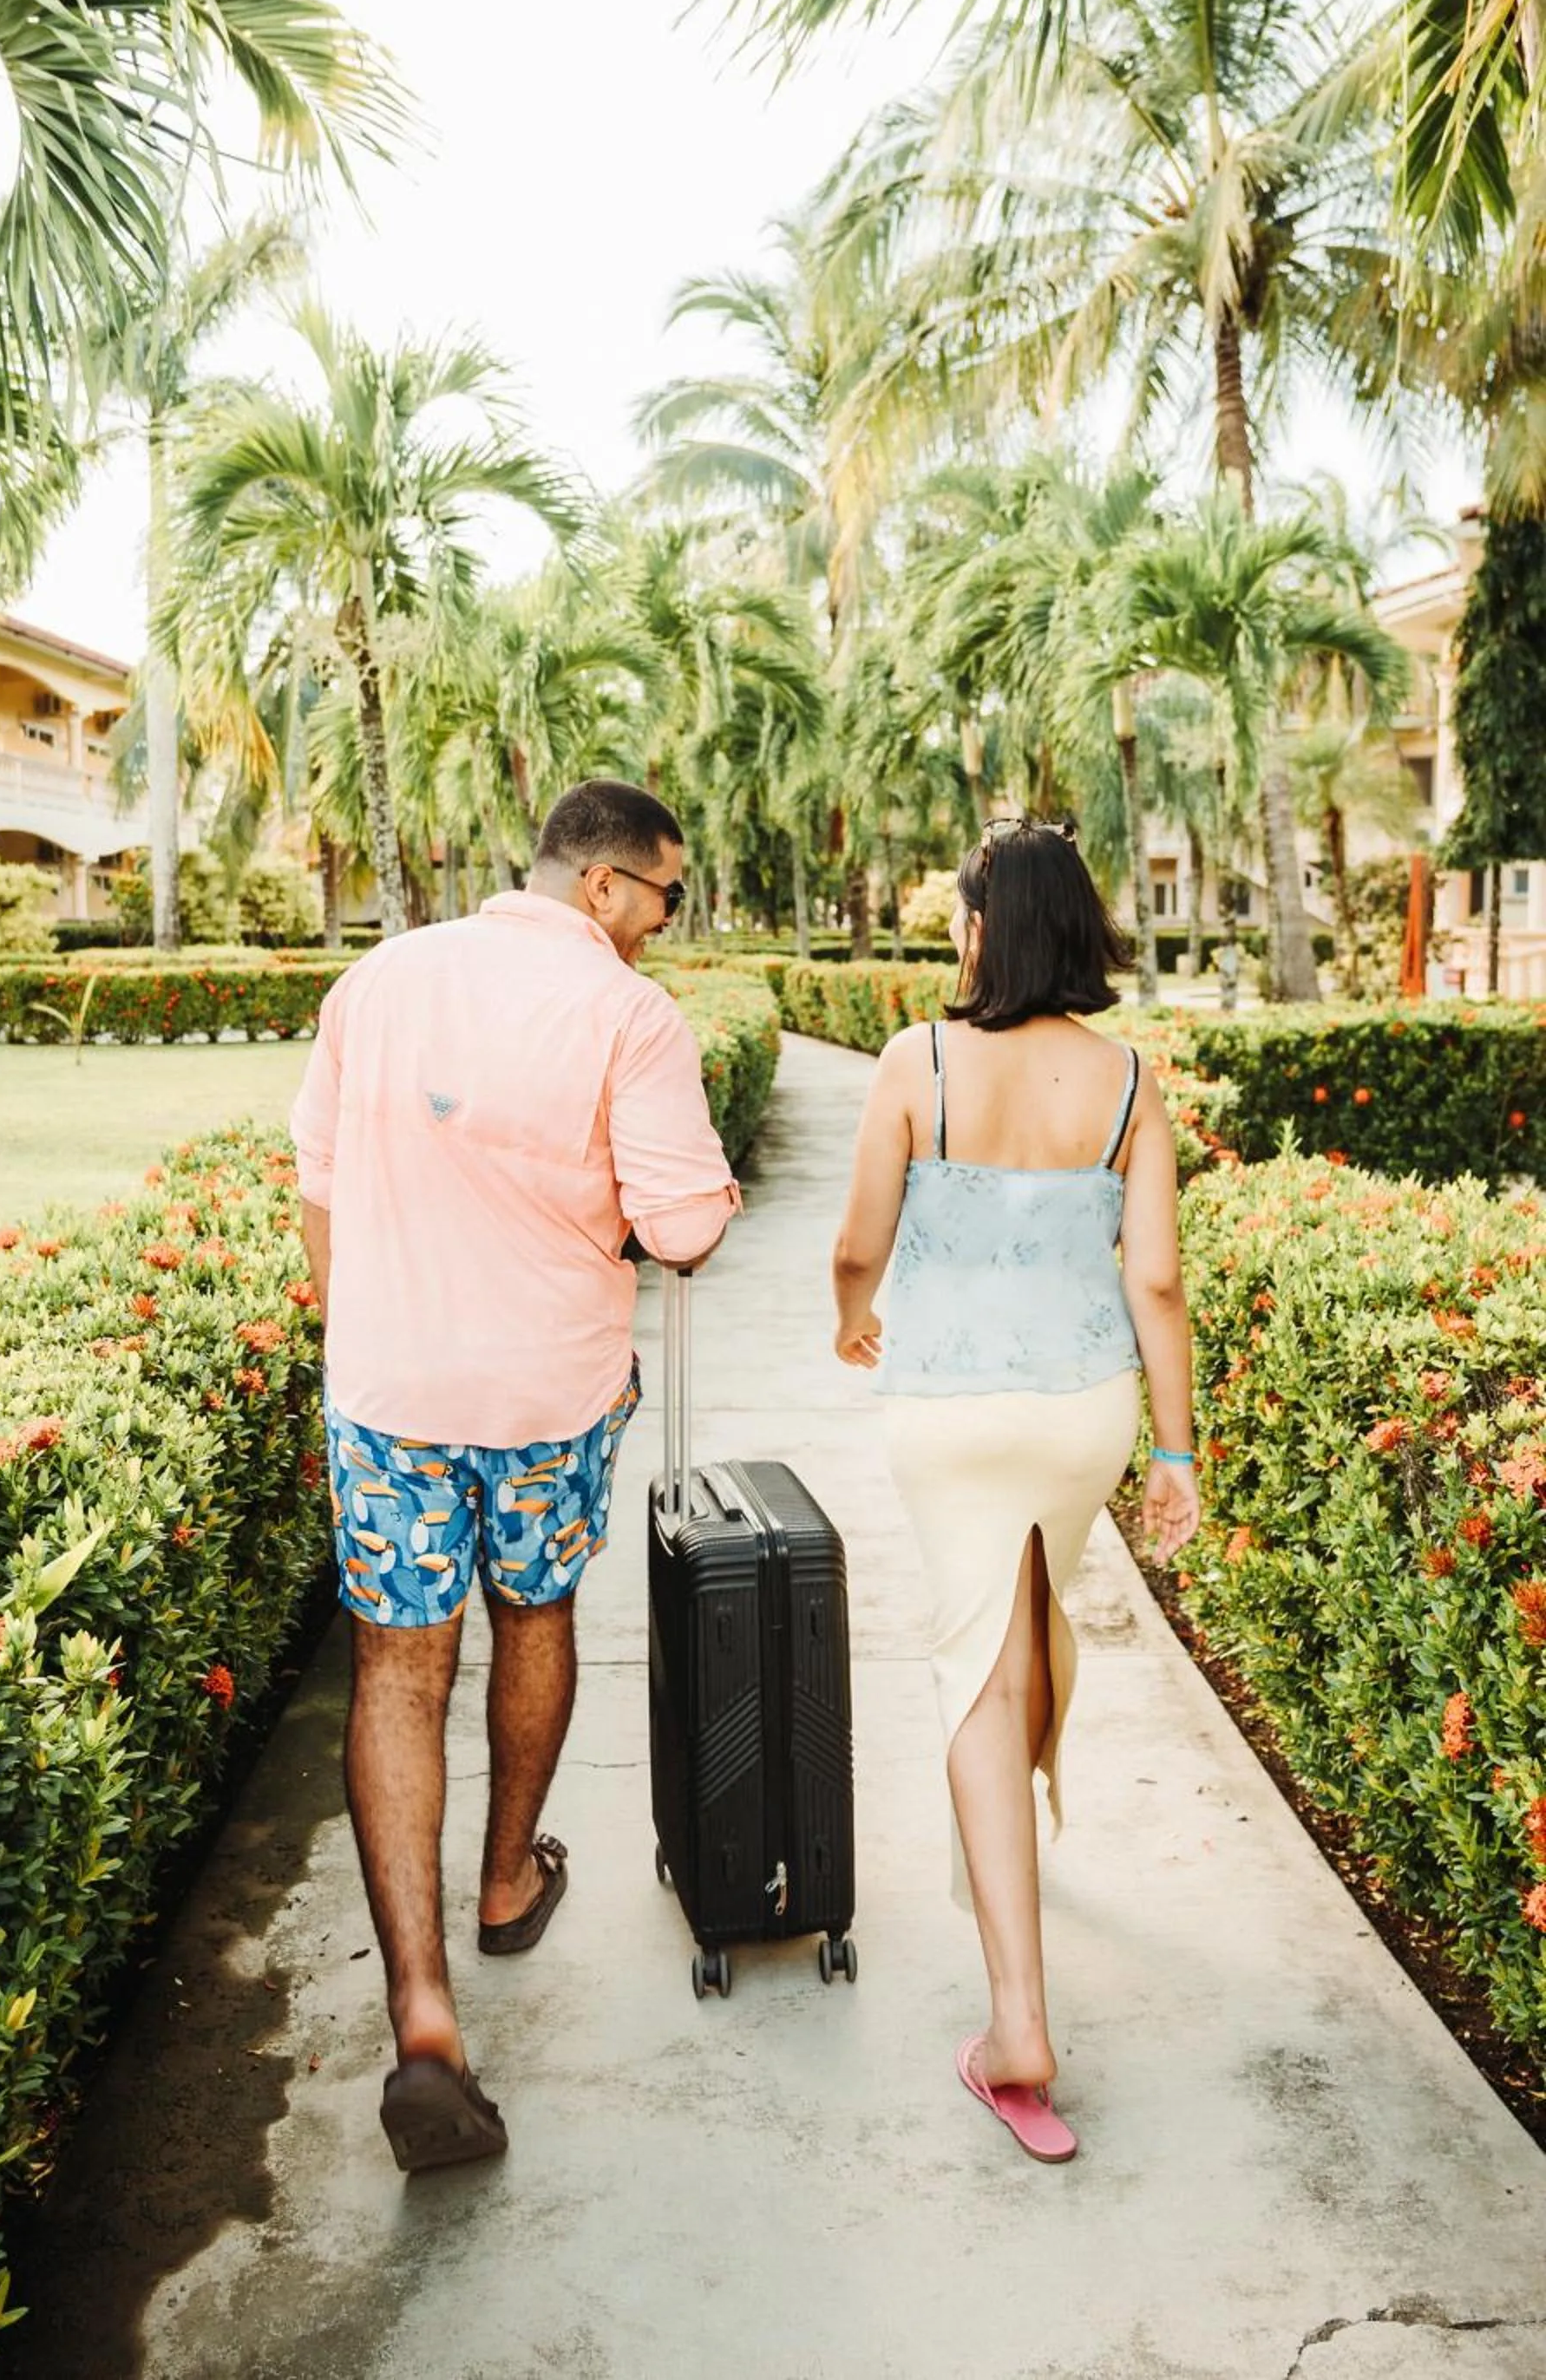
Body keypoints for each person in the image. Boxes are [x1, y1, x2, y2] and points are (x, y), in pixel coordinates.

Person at [291, 779, 740, 2172]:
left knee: (398, 1672)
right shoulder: (628, 1016)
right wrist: (701, 1203)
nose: (669, 924)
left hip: (390, 1394)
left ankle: (424, 2017)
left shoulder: (380, 978)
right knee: (535, 1621)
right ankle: (504, 1884)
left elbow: (315, 1190)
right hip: (546, 1397)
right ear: (604, 887)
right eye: (668, 896)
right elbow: (678, 1232)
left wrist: (360, 1345)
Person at [830, 815, 1200, 2164]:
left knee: (976, 1671)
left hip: (950, 1407)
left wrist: (850, 1314)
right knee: (1029, 1615)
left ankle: (1019, 2024)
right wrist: (1175, 1454)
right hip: (1086, 1410)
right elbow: (1155, 1284)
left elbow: (858, 1244)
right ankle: (1026, 1838)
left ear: (988, 928)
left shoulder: (916, 1059)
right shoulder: (1126, 1080)